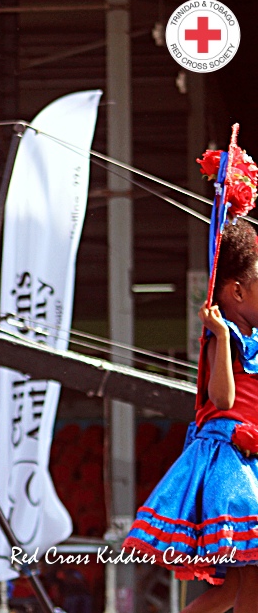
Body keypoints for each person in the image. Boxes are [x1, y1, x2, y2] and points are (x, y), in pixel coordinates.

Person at [122, 219, 258, 613]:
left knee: (233, 588)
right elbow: (223, 397)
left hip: (249, 461)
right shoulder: (225, 336)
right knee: (252, 575)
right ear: (236, 290)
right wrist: (218, 333)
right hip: (232, 462)